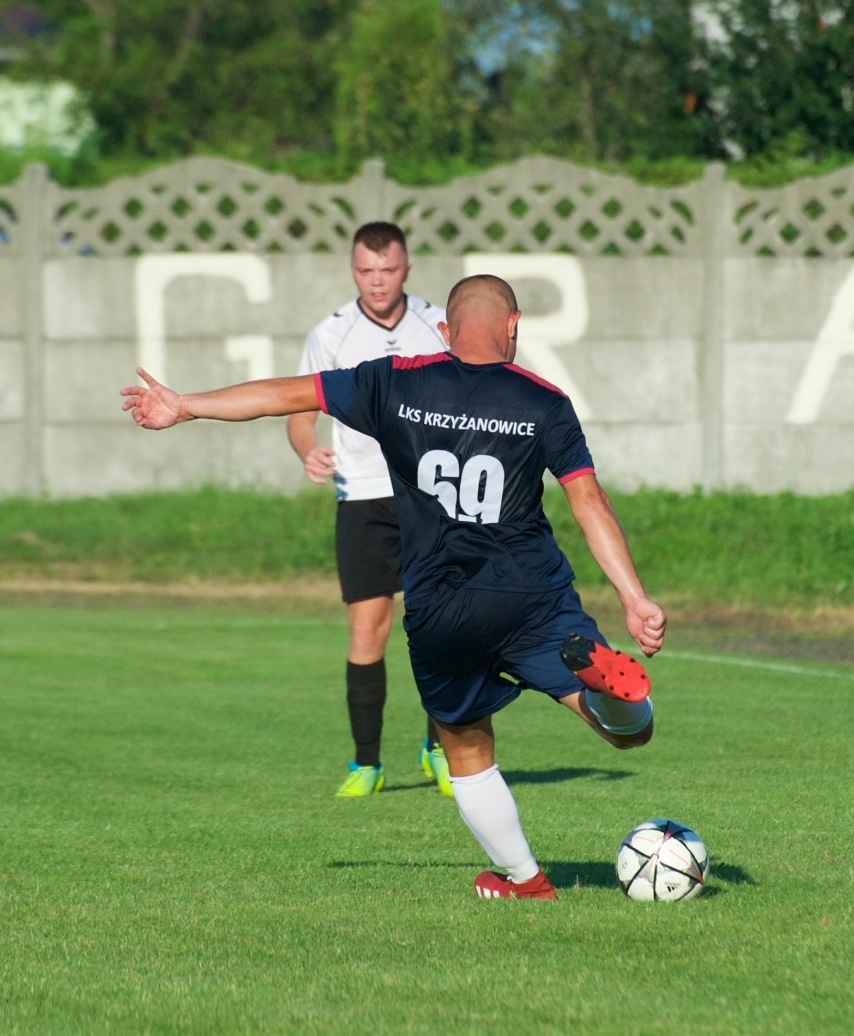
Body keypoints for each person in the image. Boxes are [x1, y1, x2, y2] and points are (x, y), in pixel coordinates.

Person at [121, 275, 667, 901]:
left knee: (464, 743)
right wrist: (633, 597)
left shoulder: (393, 382)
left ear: (444, 331)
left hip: (441, 608)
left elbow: (283, 395)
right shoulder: (543, 401)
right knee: (629, 733)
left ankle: (526, 880)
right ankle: (603, 685)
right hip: (530, 596)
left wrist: (186, 404)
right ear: (513, 326)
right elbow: (588, 501)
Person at [288, 221, 451, 799]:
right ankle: (367, 765)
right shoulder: (331, 334)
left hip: (431, 495)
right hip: (361, 498)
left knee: (442, 627)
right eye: (365, 271)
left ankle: (441, 750)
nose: (377, 281)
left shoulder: (439, 325)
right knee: (367, 632)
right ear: (352, 270)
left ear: (407, 267)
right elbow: (299, 413)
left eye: (387, 270)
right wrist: (309, 450)